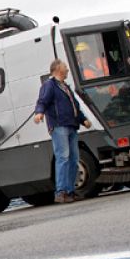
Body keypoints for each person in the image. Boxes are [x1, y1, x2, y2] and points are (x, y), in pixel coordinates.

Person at [34, 59, 92, 203]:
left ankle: (70, 191)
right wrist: (39, 113)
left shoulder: (65, 86)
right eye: (65, 67)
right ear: (58, 69)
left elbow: (74, 106)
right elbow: (42, 101)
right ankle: (61, 192)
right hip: (59, 126)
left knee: (73, 159)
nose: (67, 69)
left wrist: (83, 119)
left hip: (71, 125)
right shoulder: (50, 85)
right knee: (63, 157)